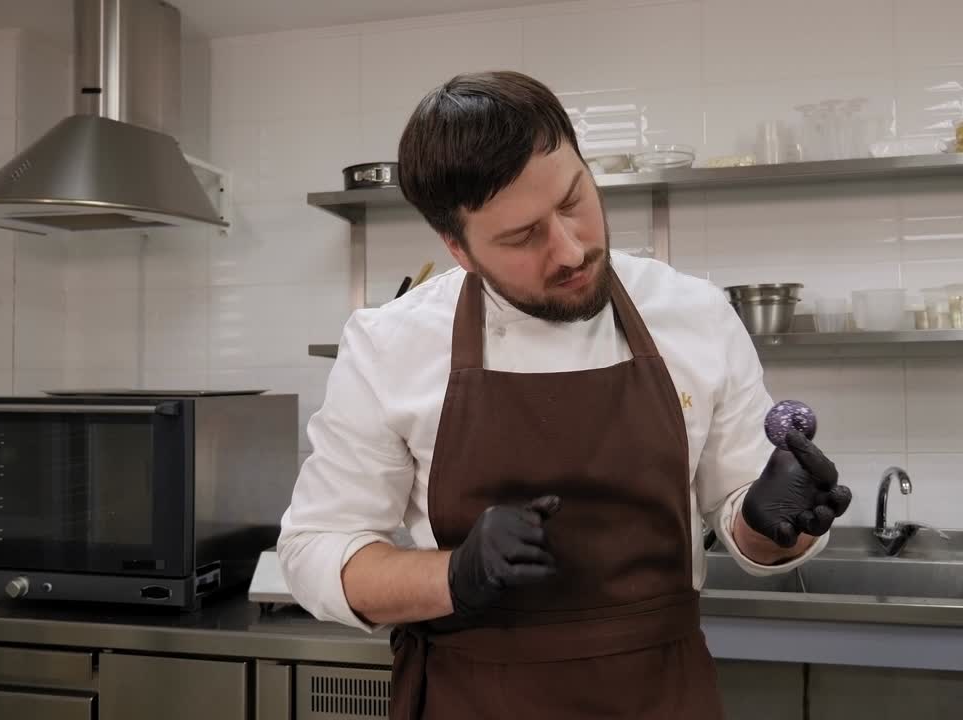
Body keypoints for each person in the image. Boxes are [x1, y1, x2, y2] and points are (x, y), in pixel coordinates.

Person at [278, 70, 852, 720]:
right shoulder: (391, 343)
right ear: (457, 248)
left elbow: (746, 527)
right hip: (475, 697)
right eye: (523, 237)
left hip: (660, 695)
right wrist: (455, 575)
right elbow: (315, 551)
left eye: (575, 198)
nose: (573, 249)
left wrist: (773, 525)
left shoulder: (693, 313)